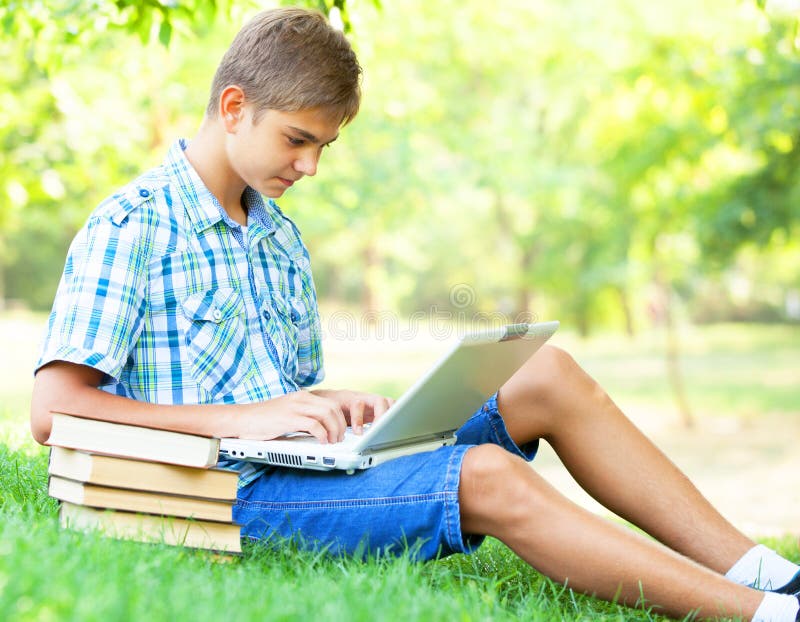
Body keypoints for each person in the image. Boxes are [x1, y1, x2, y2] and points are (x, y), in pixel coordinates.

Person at [29, 7, 800, 621]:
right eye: (298, 140)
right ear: (234, 107)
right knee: (485, 474)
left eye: (325, 146)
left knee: (546, 374)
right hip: (223, 495)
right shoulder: (131, 226)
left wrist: (327, 409)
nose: (311, 167)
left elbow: (286, 401)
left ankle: (768, 573)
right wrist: (239, 419)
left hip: (295, 468)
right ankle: (763, 615)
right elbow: (54, 412)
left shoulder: (277, 238)